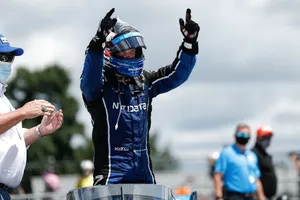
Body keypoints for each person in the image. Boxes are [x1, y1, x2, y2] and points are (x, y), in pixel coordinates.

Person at [80, 8, 199, 185]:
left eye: (133, 49)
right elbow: (88, 80)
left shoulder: (145, 82)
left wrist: (189, 43)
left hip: (143, 171)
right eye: (124, 50)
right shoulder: (99, 88)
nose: (130, 53)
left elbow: (177, 75)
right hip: (111, 173)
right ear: (110, 52)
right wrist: (97, 43)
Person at [0, 33, 64, 200]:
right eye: (2, 56)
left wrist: (40, 130)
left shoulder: (3, 98)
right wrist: (23, 111)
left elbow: (11, 139)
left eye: (10, 57)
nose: (7, 61)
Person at [213, 124, 265, 200]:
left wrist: (261, 197)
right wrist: (219, 197)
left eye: (246, 134)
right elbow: (218, 175)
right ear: (234, 135)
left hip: (251, 196)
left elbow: (257, 180)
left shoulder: (252, 155)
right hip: (234, 195)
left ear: (250, 137)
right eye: (240, 134)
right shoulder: (227, 153)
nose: (243, 137)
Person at [251, 125, 277, 200]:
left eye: (269, 138)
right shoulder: (253, 154)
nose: (268, 140)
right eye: (266, 137)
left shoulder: (265, 155)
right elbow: (254, 177)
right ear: (259, 138)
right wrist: (260, 196)